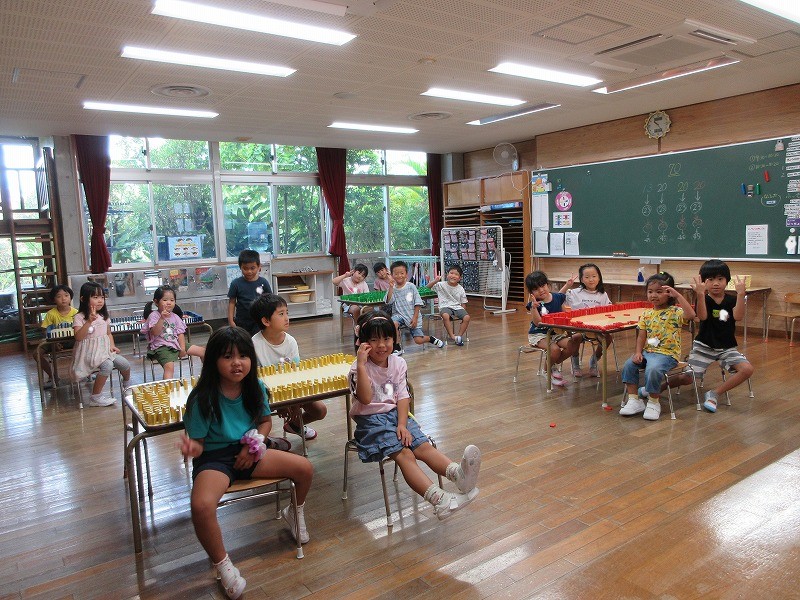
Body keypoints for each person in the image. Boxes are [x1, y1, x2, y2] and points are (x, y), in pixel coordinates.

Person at [180, 327, 314, 599]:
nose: (237, 363)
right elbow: (200, 444)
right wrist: (192, 448)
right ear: (213, 360)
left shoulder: (255, 388)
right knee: (201, 505)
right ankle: (223, 564)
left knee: (304, 469)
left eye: (243, 356)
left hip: (250, 452)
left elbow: (265, 422)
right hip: (215, 458)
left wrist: (256, 443)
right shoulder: (202, 398)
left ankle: (294, 511)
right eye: (227, 357)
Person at [349, 311, 481, 519]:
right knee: (406, 455)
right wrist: (361, 365)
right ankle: (440, 501)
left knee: (423, 446)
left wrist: (402, 424)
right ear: (362, 343)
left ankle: (459, 475)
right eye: (374, 340)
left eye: (386, 338)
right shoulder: (358, 368)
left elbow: (402, 396)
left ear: (395, 338)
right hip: (370, 422)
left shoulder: (398, 363)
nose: (381, 345)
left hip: (397, 415)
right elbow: (365, 399)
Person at [619, 272, 696, 421]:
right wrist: (637, 352)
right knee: (629, 365)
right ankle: (634, 400)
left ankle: (654, 402)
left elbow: (691, 315)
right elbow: (641, 336)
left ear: (669, 293)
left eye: (659, 292)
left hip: (668, 355)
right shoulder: (647, 314)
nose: (654, 295)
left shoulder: (676, 311)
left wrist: (678, 296)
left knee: (653, 369)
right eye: (650, 291)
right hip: (648, 352)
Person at [250, 293, 327, 440]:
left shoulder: (290, 342)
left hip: (291, 391)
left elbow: (295, 374)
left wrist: (293, 404)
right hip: (264, 395)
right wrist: (281, 403)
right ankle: (264, 439)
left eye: (287, 313)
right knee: (256, 415)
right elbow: (254, 381)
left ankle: (295, 425)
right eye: (281, 314)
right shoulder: (254, 344)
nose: (286, 318)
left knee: (320, 410)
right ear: (266, 321)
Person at [685, 260, 755, 412]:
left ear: (727, 281)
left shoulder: (731, 299)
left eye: (720, 279)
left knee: (747, 369)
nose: (715, 283)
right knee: (687, 377)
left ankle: (714, 394)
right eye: (710, 279)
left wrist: (741, 295)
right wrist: (700, 295)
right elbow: (702, 317)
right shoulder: (704, 299)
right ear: (704, 282)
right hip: (703, 346)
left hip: (726, 347)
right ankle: (656, 388)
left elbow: (738, 316)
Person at [71, 281, 132, 406]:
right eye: (95, 297)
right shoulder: (79, 317)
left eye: (102, 297)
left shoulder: (103, 316)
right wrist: (89, 321)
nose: (100, 301)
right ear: (83, 299)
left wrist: (112, 345)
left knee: (125, 364)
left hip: (104, 351)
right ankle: (95, 396)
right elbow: (78, 337)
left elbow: (108, 333)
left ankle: (126, 386)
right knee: (107, 365)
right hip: (89, 353)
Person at [525, 271, 581, 387]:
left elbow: (559, 296)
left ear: (547, 284)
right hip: (539, 334)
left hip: (555, 333)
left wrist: (567, 285)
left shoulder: (555, 297)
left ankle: (553, 363)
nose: (541, 290)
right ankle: (546, 371)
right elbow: (538, 323)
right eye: (536, 289)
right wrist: (534, 308)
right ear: (531, 293)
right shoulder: (534, 304)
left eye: (543, 286)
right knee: (554, 350)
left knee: (573, 344)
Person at [559, 263, 613, 377]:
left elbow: (609, 310)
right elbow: (557, 299)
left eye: (594, 276)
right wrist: (567, 286)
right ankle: (575, 364)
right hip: (577, 328)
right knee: (576, 337)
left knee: (608, 337)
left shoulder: (602, 294)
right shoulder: (574, 293)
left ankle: (594, 360)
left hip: (596, 328)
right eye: (587, 277)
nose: (591, 280)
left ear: (599, 277)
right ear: (582, 279)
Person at [385, 260, 444, 352]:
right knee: (393, 323)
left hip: (412, 315)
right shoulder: (392, 288)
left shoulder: (411, 286)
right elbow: (388, 301)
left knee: (418, 340)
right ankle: (397, 347)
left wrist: (415, 317)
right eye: (396, 274)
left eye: (402, 273)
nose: (399, 276)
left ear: (406, 274)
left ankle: (431, 339)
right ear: (392, 275)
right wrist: (391, 287)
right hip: (399, 315)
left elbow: (417, 302)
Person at [142, 285, 187, 380]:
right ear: (156, 302)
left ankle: (208, 381)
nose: (169, 303)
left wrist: (182, 348)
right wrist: (162, 318)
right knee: (169, 367)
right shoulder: (154, 316)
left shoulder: (175, 316)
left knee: (202, 352)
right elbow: (155, 332)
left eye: (172, 300)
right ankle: (168, 387)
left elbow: (180, 333)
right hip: (160, 346)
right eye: (165, 300)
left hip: (175, 342)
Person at [38, 284, 78, 389]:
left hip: (73, 340)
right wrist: (54, 343)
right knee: (36, 353)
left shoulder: (76, 313)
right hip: (54, 341)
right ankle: (52, 376)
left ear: (70, 297)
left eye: (66, 295)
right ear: (54, 299)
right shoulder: (51, 314)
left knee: (86, 346)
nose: (63, 299)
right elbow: (46, 330)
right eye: (59, 296)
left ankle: (87, 372)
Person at [227, 249, 271, 335]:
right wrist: (231, 321)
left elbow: (269, 301)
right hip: (241, 322)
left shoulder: (263, 282)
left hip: (259, 321)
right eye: (245, 268)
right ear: (240, 267)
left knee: (257, 341)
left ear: (259, 266)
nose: (249, 271)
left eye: (252, 268)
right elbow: (232, 303)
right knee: (243, 341)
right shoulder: (236, 283)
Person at [429, 265, 470, 345]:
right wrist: (435, 281)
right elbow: (427, 287)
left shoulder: (460, 288)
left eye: (456, 274)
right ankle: (452, 336)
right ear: (447, 275)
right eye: (451, 273)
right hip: (445, 306)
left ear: (459, 278)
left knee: (467, 317)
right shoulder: (440, 285)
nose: (453, 276)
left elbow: (463, 303)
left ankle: (459, 337)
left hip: (457, 307)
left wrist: (464, 314)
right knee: (445, 315)